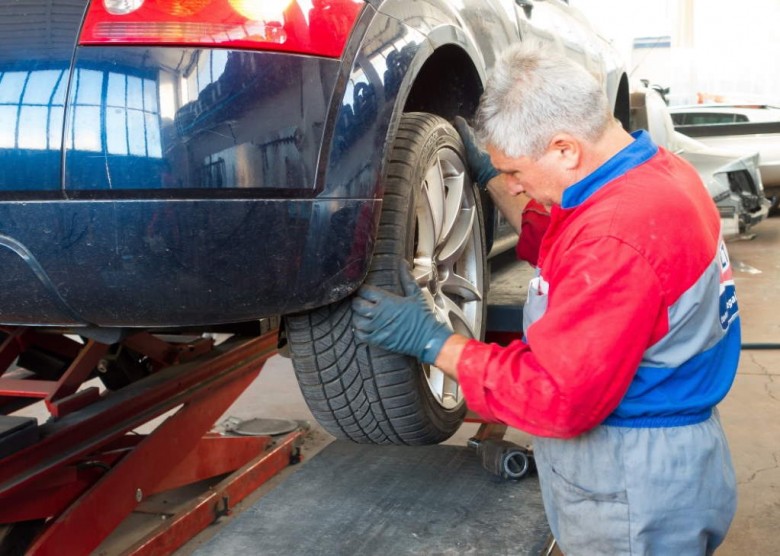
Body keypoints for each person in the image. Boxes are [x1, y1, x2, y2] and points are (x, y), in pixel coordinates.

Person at [352, 42, 739, 555]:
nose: (516, 186)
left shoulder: (617, 237)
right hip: (668, 458)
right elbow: (566, 242)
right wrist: (493, 178)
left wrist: (433, 343)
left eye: (515, 171)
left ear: (564, 149)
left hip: (634, 483)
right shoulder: (656, 174)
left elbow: (557, 397)